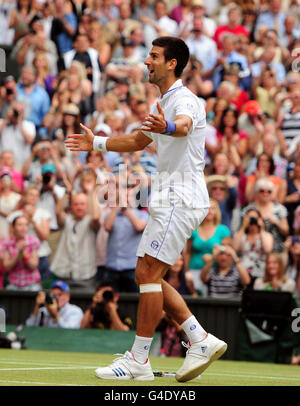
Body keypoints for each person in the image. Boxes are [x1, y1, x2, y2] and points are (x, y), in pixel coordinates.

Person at [65, 36, 227, 382]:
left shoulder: (183, 100)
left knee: (147, 275)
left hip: (179, 198)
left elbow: (181, 127)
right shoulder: (164, 100)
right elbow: (139, 141)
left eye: (154, 56)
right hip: (174, 197)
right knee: (148, 274)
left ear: (172, 63)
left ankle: (139, 359)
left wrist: (167, 126)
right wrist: (96, 142)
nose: (146, 61)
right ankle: (199, 338)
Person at [50, 192, 100, 292]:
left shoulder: (90, 221)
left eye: (82, 204)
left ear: (87, 206)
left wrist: (92, 193)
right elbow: (58, 212)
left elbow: (96, 217)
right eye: (76, 204)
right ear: (71, 206)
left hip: (86, 275)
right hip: (65, 274)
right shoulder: (67, 220)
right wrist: (67, 193)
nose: (79, 207)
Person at [184, 198, 231, 295]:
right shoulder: (194, 229)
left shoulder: (223, 230)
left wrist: (213, 258)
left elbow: (227, 255)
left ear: (216, 211)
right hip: (194, 271)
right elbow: (188, 252)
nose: (210, 211)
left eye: (213, 208)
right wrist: (186, 271)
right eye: (207, 208)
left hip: (214, 273)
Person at [233, 207, 274, 286]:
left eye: (255, 218)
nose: (252, 220)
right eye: (250, 218)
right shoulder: (240, 234)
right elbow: (235, 248)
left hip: (261, 274)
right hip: (243, 273)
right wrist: (243, 226)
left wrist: (261, 228)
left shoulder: (266, 235)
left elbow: (267, 249)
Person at [1, 215, 41, 291]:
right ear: (13, 227)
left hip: (32, 284)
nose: (23, 228)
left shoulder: (33, 241)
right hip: (14, 284)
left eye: (26, 225)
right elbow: (6, 267)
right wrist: (18, 254)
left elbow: (33, 266)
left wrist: (24, 254)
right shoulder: (7, 242)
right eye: (20, 225)